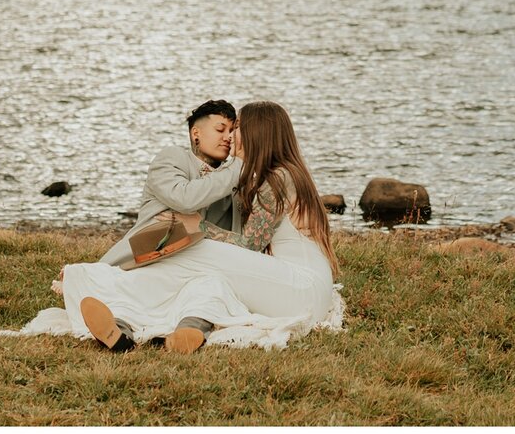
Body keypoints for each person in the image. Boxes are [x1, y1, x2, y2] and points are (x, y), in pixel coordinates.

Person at [30, 101, 343, 352]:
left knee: (193, 247)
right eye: (227, 129)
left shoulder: (274, 179)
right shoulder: (284, 173)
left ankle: (96, 277)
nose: (232, 136)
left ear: (258, 134)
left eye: (238, 129)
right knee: (203, 276)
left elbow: (248, 245)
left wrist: (196, 229)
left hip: (300, 290)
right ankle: (133, 318)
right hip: (303, 290)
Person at [98, 99, 242, 265]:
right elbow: (185, 200)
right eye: (220, 129)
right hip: (147, 257)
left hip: (205, 262)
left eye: (232, 131)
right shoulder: (172, 157)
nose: (228, 137)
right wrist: (238, 163)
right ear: (196, 134)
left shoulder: (232, 174)